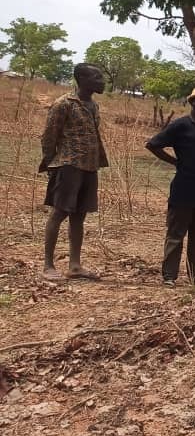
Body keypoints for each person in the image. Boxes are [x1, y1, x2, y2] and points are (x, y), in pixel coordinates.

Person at [39, 63, 109, 280]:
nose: (101, 81)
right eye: (96, 77)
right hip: (68, 166)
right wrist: (50, 164)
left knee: (79, 216)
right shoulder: (64, 104)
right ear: (82, 79)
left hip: (89, 166)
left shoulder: (93, 106)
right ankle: (48, 266)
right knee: (59, 213)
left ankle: (75, 266)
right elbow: (49, 136)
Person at [145, 86, 195, 287]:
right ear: (191, 103)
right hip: (183, 187)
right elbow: (152, 145)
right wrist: (174, 162)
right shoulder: (180, 126)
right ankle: (169, 276)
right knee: (176, 233)